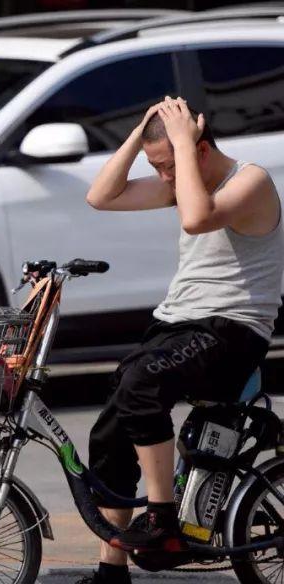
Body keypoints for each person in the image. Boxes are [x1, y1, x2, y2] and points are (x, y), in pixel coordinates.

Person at [82, 96, 283, 584]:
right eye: (160, 168)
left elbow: (197, 217)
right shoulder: (185, 183)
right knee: (110, 428)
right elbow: (101, 197)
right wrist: (141, 133)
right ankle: (113, 571)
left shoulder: (250, 181)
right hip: (178, 326)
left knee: (142, 384)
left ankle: (164, 517)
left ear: (202, 148)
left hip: (232, 330)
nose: (166, 177)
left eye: (170, 165)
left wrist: (182, 146)